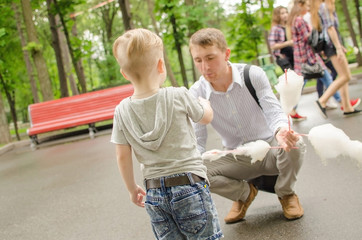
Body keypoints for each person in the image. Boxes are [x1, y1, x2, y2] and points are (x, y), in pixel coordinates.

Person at [111, 28, 223, 239]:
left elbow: (122, 155)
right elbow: (205, 117)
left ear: (124, 74)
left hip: (153, 193)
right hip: (189, 184)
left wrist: (131, 189)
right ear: (161, 65)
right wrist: (205, 104)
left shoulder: (121, 111)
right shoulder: (177, 95)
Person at [189, 28, 306, 223]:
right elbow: (197, 140)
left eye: (210, 58)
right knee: (196, 169)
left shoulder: (253, 75)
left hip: (271, 149)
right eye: (198, 60)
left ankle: (286, 193)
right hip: (237, 157)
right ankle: (243, 194)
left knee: (296, 143)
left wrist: (281, 131)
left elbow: (273, 110)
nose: (204, 67)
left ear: (227, 54)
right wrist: (188, 166)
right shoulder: (196, 93)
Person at [287, 0, 342, 110]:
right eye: (306, 6)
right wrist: (314, 29)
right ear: (300, 5)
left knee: (323, 80)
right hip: (308, 57)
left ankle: (342, 102)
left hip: (304, 57)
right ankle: (342, 102)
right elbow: (308, 38)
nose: (308, 8)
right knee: (325, 79)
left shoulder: (294, 20)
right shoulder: (299, 20)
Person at [311, 0, 361, 117]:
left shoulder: (325, 7)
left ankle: (347, 107)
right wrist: (338, 48)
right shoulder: (324, 6)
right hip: (332, 47)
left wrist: (340, 45)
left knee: (343, 75)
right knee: (345, 76)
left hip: (332, 45)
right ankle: (322, 100)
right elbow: (330, 29)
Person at [269, 6, 306, 121]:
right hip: (284, 59)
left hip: (294, 57)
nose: (285, 15)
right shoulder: (276, 29)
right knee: (290, 84)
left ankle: (291, 110)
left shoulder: (290, 26)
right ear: (277, 15)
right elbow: (273, 46)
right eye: (282, 13)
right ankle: (289, 111)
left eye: (286, 12)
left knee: (297, 83)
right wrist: (288, 43)